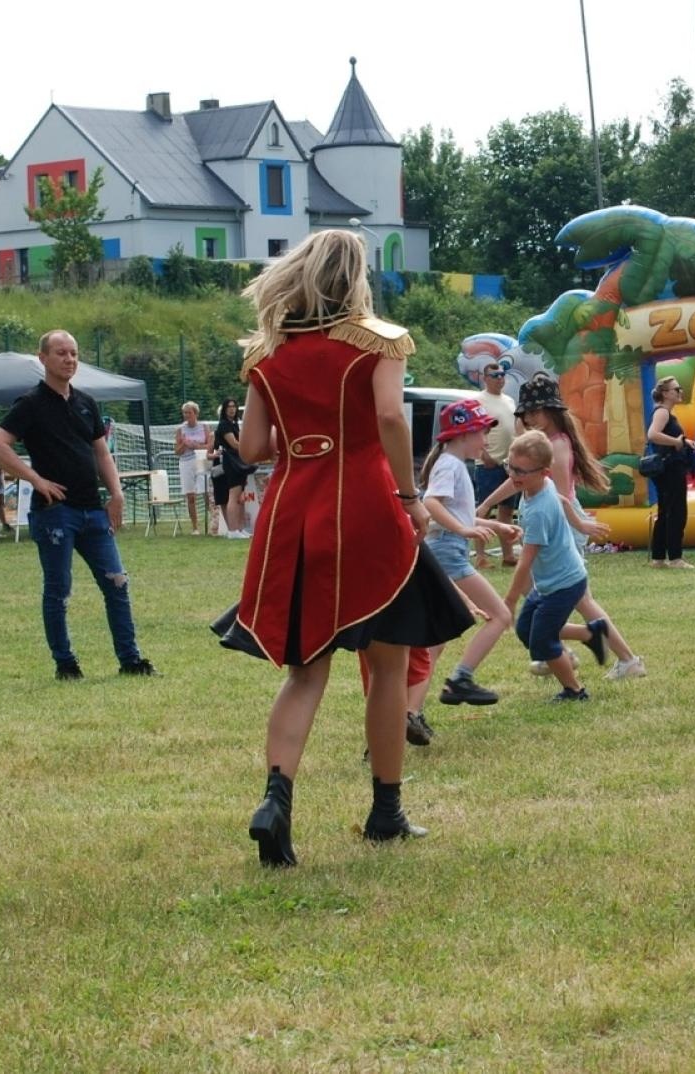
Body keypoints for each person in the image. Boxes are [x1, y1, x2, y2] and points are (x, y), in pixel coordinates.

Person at [211, 230, 472, 867]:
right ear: (355, 274)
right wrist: (410, 497)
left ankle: (276, 799)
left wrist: (305, 439)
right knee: (387, 664)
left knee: (306, 670)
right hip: (364, 504)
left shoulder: (267, 355)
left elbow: (249, 451)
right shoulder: (378, 340)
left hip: (293, 511)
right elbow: (388, 418)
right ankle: (386, 811)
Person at [0, 333, 156, 678]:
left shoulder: (86, 402)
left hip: (92, 509)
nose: (69, 359)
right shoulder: (31, 403)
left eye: (74, 353)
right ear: (43, 358)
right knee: (59, 589)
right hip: (55, 512)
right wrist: (36, 480)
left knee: (117, 583)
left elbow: (101, 451)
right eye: (61, 353)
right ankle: (66, 663)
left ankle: (131, 660)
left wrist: (116, 493)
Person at [481, 373, 647, 681]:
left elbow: (556, 498)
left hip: (560, 529)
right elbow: (519, 479)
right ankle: (555, 651)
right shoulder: (550, 442)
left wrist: (579, 524)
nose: (530, 418)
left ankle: (621, 658)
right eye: (526, 413)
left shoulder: (556, 448)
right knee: (549, 596)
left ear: (552, 410)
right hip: (561, 525)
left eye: (535, 411)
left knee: (575, 599)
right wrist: (486, 504)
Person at [503, 430, 633, 701]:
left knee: (542, 640)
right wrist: (580, 522)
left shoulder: (539, 508)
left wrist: (510, 600)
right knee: (527, 630)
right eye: (510, 466)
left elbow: (525, 561)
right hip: (554, 582)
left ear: (543, 473)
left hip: (564, 583)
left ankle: (575, 690)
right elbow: (562, 501)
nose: (513, 475)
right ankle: (590, 633)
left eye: (521, 471)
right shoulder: (536, 488)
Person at [418, 398, 521, 708]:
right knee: (501, 615)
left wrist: (495, 526)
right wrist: (463, 531)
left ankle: (412, 711)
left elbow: (458, 513)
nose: (485, 440)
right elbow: (431, 504)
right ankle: (460, 679)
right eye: (481, 433)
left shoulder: (453, 464)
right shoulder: (449, 464)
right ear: (462, 435)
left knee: (436, 642)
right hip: (448, 551)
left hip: (447, 550)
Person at [470, 359, 521, 567]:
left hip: (508, 463)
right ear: (485, 378)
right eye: (495, 375)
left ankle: (507, 554)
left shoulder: (509, 400)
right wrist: (484, 455)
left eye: (502, 375)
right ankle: (480, 555)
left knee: (507, 510)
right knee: (484, 509)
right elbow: (474, 429)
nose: (500, 379)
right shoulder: (478, 401)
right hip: (488, 463)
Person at [646, 375, 695, 569]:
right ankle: (675, 557)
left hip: (666, 468)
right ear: (665, 393)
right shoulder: (663, 412)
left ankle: (659, 557)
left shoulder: (663, 412)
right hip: (671, 469)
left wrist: (683, 442)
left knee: (666, 511)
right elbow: (652, 435)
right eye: (677, 389)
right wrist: (676, 442)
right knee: (676, 512)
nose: (680, 392)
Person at [210, 397, 249, 538]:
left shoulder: (234, 424)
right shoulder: (224, 425)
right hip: (229, 463)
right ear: (225, 409)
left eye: (234, 406)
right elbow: (234, 444)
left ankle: (239, 528)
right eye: (229, 407)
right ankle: (233, 530)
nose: (232, 409)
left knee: (239, 497)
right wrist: (250, 449)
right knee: (233, 497)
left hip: (236, 462)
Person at [174, 401, 214, 535]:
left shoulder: (204, 427)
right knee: (190, 495)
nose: (186, 415)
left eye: (189, 413)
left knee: (206, 492)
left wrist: (195, 445)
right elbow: (177, 451)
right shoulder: (181, 430)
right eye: (184, 413)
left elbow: (209, 446)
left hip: (201, 459)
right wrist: (184, 444)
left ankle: (213, 522)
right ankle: (195, 527)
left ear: (195, 413)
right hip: (186, 462)